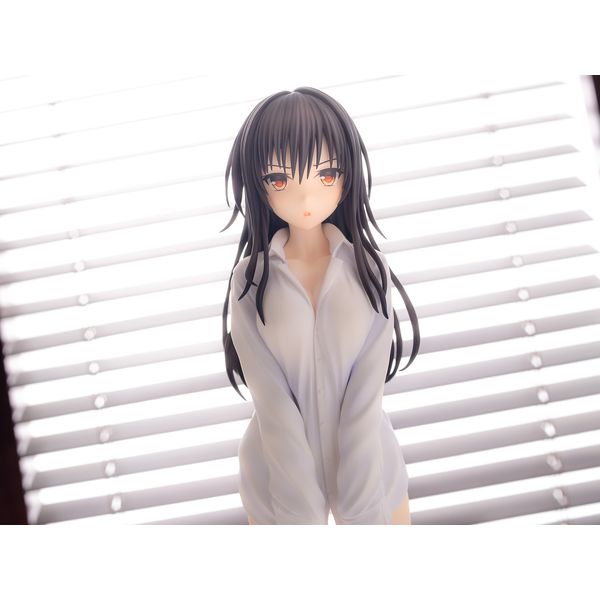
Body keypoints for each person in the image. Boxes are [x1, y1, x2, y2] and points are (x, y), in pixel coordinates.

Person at [220, 86, 420, 524]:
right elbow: (270, 398)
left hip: (373, 467)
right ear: (258, 183)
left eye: (325, 175)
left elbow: (367, 389)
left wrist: (360, 498)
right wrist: (299, 505)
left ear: (347, 175)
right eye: (280, 179)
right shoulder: (250, 282)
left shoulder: (369, 270)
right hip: (274, 475)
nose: (306, 199)